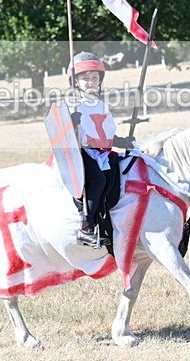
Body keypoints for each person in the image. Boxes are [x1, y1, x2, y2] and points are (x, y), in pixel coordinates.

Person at [68, 51, 135, 248]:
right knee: (98, 179)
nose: (90, 82)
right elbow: (66, 135)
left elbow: (106, 134)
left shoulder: (100, 105)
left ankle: (112, 221)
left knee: (125, 168)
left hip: (101, 153)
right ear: (75, 81)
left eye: (94, 78)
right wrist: (71, 123)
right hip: (80, 153)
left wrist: (123, 141)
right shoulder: (72, 104)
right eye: (85, 78)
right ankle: (86, 227)